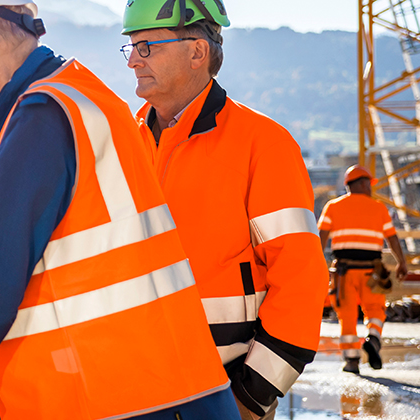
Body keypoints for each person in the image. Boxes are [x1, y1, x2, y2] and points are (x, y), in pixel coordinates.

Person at [0, 1, 237, 419]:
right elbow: (43, 296)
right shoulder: (85, 99)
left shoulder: (41, 120)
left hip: (128, 401)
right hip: (170, 395)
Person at [122, 1, 327, 417]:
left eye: (146, 47)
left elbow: (301, 280)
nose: (132, 62)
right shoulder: (123, 145)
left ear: (197, 52)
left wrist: (253, 395)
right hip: (135, 389)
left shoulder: (263, 145)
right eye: (129, 48)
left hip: (225, 392)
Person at [318, 166, 407, 373]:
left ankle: (351, 360)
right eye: (369, 184)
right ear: (363, 183)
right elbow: (391, 238)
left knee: (347, 315)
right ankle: (373, 338)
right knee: (376, 309)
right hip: (372, 271)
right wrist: (401, 261)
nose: (370, 188)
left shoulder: (333, 207)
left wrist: (317, 263)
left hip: (343, 272)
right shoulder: (378, 208)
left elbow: (321, 237)